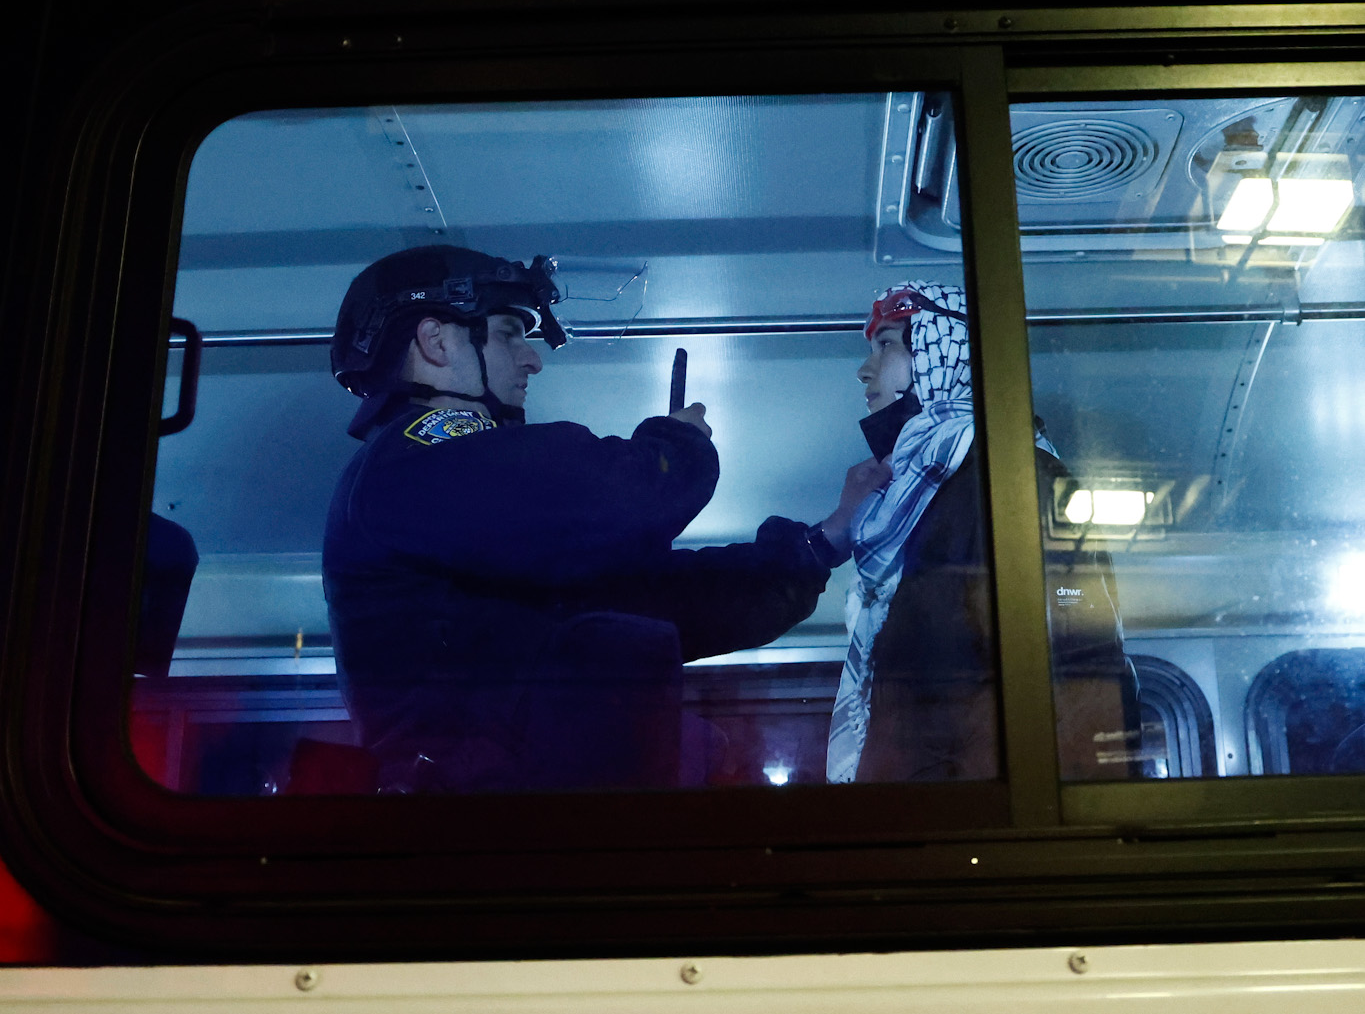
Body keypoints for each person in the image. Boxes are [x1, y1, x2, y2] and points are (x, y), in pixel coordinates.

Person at [323, 244, 880, 793]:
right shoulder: (414, 459)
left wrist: (821, 544)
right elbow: (618, 499)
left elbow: (654, 595)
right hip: (486, 843)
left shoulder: (473, 518)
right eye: (508, 333)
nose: (532, 358)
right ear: (436, 342)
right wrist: (675, 444)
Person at [826, 281, 1137, 784]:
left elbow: (1079, 674)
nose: (865, 369)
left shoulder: (1012, 478)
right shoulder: (920, 493)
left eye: (886, 344)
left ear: (940, 350)